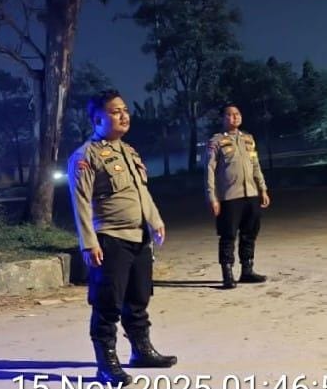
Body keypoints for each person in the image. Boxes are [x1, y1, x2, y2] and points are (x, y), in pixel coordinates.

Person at [68, 89, 177, 384]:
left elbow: (142, 192)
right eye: (115, 111)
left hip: (138, 237)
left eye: (125, 110)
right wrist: (89, 243)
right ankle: (106, 364)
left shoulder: (129, 151)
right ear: (97, 119)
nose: (123, 115)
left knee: (138, 298)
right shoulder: (85, 156)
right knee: (107, 304)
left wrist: (155, 221)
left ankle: (141, 351)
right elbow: (80, 202)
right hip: (109, 239)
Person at [204, 103, 272, 289]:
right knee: (228, 236)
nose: (234, 117)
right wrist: (212, 197)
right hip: (229, 197)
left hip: (251, 194)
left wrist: (263, 189)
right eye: (230, 114)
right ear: (223, 119)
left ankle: (247, 270)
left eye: (237, 114)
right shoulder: (216, 141)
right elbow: (209, 170)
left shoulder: (248, 139)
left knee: (249, 233)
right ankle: (227, 274)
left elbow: (255, 165)